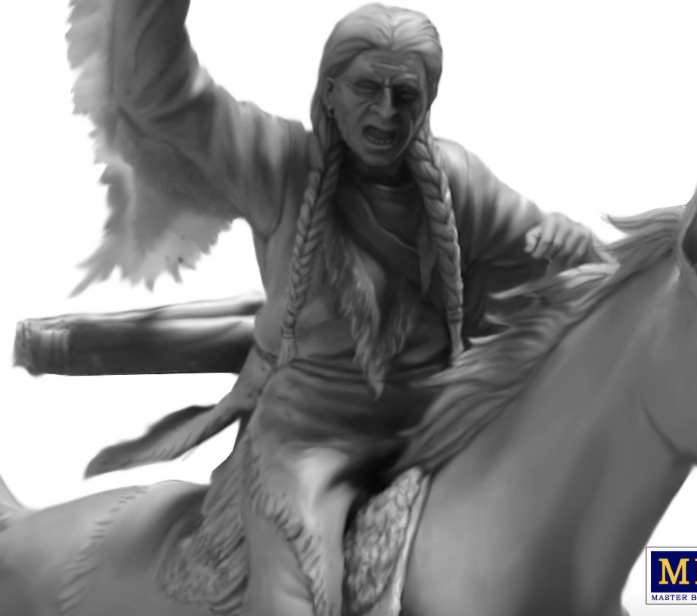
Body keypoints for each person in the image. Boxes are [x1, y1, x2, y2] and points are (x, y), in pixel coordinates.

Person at [67, 2, 603, 615]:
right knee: (299, 594)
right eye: (367, 89)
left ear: (428, 100)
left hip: (434, 432)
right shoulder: (278, 164)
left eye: (406, 95)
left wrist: (572, 244)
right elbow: (163, 97)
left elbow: (572, 276)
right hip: (306, 443)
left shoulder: (459, 183)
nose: (386, 113)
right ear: (329, 91)